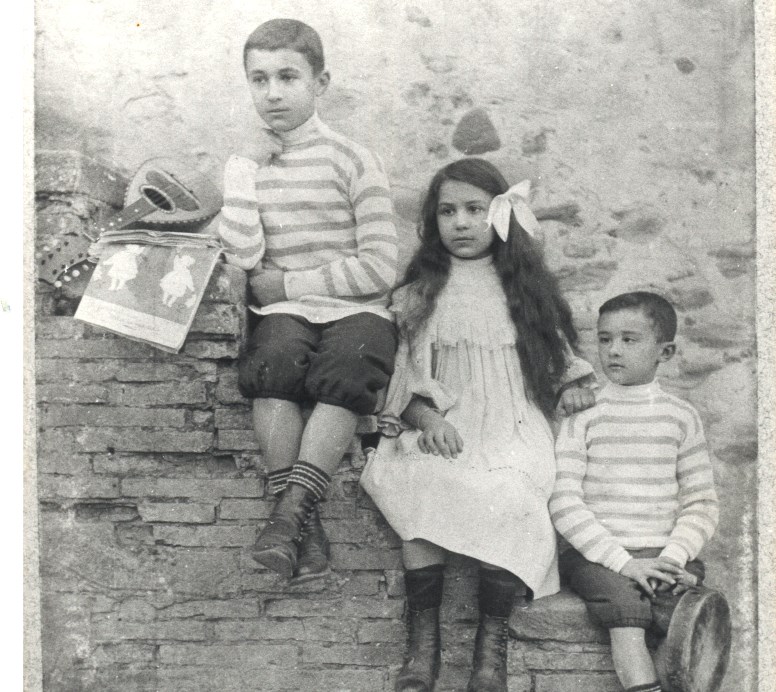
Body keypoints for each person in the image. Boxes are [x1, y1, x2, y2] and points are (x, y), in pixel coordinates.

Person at [360, 158, 596, 692]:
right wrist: (427, 418)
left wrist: (573, 388)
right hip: (446, 424)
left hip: (513, 426)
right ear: (432, 220)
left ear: (500, 215)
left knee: (515, 494)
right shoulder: (423, 291)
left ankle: (491, 651)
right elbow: (406, 384)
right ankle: (423, 647)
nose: (461, 223)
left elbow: (559, 366)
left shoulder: (525, 289)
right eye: (447, 211)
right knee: (418, 481)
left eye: (474, 210)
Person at [217, 18, 398, 584]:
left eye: (288, 77)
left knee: (347, 371)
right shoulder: (248, 164)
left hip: (356, 308)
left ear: (321, 82)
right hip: (284, 314)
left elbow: (381, 266)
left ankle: (288, 512)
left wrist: (291, 284)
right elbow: (245, 255)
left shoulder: (353, 159)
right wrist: (243, 173)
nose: (272, 93)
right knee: (271, 369)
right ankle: (300, 521)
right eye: (259, 79)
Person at [550, 292, 722, 692]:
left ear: (665, 351)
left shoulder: (681, 417)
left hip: (663, 552)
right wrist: (623, 563)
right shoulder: (584, 416)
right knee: (627, 611)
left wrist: (672, 557)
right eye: (605, 339)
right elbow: (564, 500)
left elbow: (701, 503)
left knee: (688, 613)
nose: (613, 351)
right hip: (601, 557)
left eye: (629, 340)